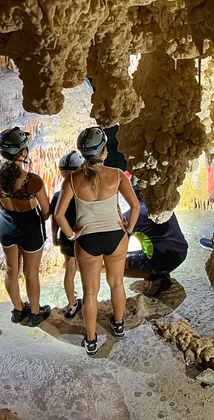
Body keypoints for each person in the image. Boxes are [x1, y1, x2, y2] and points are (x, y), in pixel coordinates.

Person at [54, 126, 140, 356]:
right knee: (117, 283)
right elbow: (135, 206)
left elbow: (59, 215)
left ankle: (91, 340)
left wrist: (72, 235)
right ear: (104, 152)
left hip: (87, 240)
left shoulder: (72, 179)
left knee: (90, 292)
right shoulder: (118, 175)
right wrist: (129, 229)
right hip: (115, 236)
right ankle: (119, 325)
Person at [0, 127, 52, 327]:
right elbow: (46, 209)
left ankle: (18, 310)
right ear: (23, 153)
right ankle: (35, 313)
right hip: (29, 225)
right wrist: (40, 219)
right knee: (31, 273)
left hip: (7, 224)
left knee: (11, 270)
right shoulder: (32, 180)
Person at [123, 186, 188, 296]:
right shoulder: (162, 207)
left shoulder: (132, 215)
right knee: (147, 247)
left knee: (113, 265)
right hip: (181, 253)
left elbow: (117, 242)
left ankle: (157, 278)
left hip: (162, 260)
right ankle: (161, 272)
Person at [50, 151, 85, 318]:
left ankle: (72, 304)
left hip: (66, 236)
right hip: (85, 236)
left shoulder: (57, 196)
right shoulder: (84, 195)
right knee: (87, 270)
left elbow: (55, 219)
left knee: (69, 271)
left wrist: (55, 236)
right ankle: (89, 300)